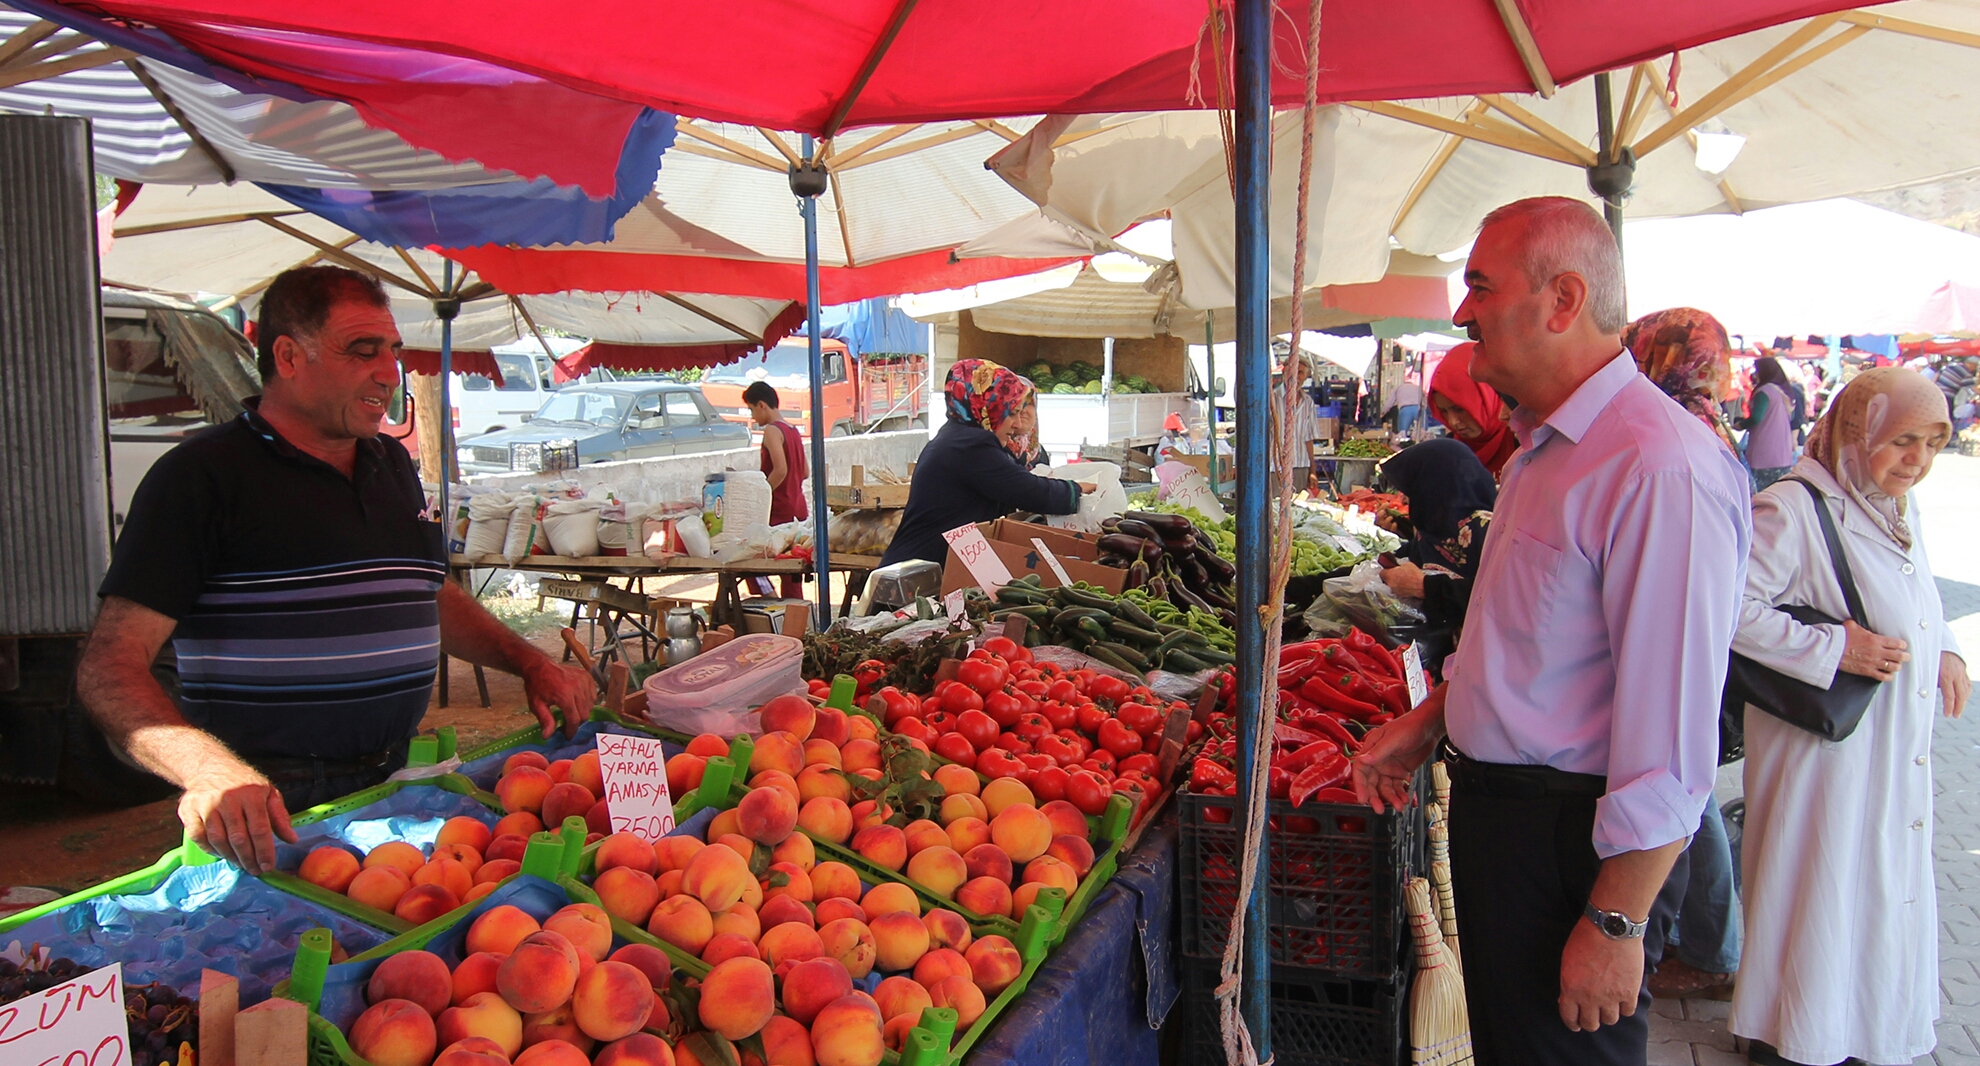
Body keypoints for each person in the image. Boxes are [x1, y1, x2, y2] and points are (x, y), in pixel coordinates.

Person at [1350, 197, 1750, 1066]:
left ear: (1562, 300)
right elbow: (1528, 642)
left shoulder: (1656, 466)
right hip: (1509, 826)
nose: (1462, 313)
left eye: (1481, 287)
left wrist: (1615, 921)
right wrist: (1428, 724)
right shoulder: (1547, 448)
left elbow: (1674, 736)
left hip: (1575, 847)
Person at [75, 266, 596, 875]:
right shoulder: (200, 477)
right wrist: (206, 768)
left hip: (399, 783)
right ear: (289, 356)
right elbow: (108, 665)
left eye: (393, 351)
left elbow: (424, 595)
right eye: (362, 350)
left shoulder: (392, 468)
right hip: (269, 805)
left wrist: (529, 662)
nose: (388, 372)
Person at [1729, 367, 1970, 1066]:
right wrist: (1835, 645)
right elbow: (1729, 611)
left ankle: (1861, 1032)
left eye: (1931, 443)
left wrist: (1947, 648)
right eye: (1900, 441)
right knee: (1821, 887)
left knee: (1878, 890)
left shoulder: (1893, 506)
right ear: (1857, 433)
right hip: (1824, 753)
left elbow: (1917, 583)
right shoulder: (1794, 509)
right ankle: (1792, 1038)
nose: (1917, 461)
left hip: (1890, 748)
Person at [1620, 307, 1746, 999]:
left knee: (1687, 805)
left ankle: (1708, 949)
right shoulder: (1709, 427)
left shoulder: (1673, 446)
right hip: (1701, 653)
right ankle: (1707, 945)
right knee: (1690, 799)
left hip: (1689, 657)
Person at [879, 360, 1085, 566]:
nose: (1017, 424)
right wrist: (1078, 490)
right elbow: (1027, 491)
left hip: (926, 567)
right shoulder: (969, 445)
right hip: (915, 574)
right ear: (986, 407)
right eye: (1010, 413)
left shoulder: (958, 436)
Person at [1374, 438, 1495, 671]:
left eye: (1411, 489)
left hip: (1485, 668)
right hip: (1445, 664)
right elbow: (1397, 559)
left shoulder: (1487, 530)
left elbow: (1499, 597)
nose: (1404, 500)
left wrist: (1423, 586)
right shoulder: (1433, 528)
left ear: (1434, 485)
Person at [744, 380, 808, 598]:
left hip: (779, 509)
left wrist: (761, 494)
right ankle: (795, 615)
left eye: (752, 409)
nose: (753, 417)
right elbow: (805, 471)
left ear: (762, 405)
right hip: (798, 507)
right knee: (791, 571)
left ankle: (768, 596)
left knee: (748, 556)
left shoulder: (772, 431)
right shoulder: (793, 431)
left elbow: (780, 470)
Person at [1427, 342, 1518, 477]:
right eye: (1444, 412)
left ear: (1487, 396)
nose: (1453, 422)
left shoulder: (1521, 441)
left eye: (1459, 409)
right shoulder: (1449, 452)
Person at [1738, 356, 1798, 491]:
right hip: (1783, 454)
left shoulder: (1764, 391)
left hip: (1763, 454)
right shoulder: (1783, 391)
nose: (1755, 374)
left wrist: (1740, 425)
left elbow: (1756, 418)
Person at [1390, 372, 1426, 438]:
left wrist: (1383, 412)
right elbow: (1424, 399)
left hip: (1405, 409)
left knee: (1402, 433)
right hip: (1419, 408)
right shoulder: (1417, 387)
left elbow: (1390, 402)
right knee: (1423, 431)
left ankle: (1403, 445)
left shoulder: (1398, 388)